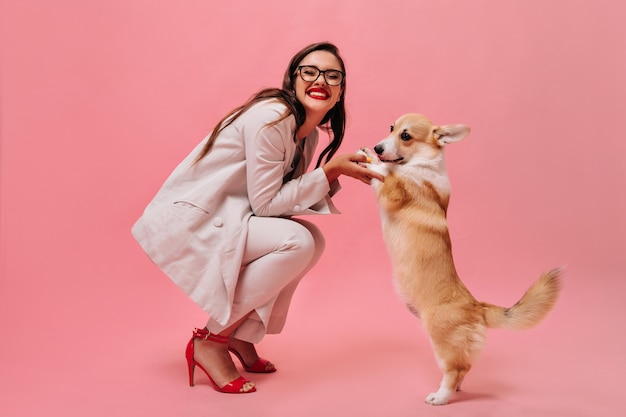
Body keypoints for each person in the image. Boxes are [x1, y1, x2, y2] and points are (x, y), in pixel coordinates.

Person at [131, 42, 384, 394]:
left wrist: (332, 173)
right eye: (309, 71)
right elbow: (266, 205)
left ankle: (239, 334)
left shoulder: (306, 133)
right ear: (292, 81)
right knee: (297, 242)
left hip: (234, 215)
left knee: (313, 241)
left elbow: (276, 201)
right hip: (197, 220)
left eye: (332, 75)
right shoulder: (271, 117)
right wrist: (328, 173)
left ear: (340, 92)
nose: (320, 80)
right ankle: (211, 339)